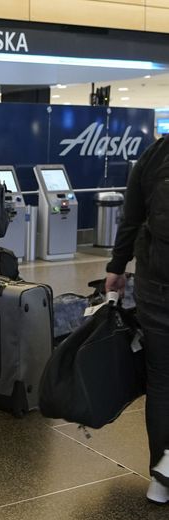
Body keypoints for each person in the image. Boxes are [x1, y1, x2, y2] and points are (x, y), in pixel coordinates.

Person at [105, 137, 169, 505]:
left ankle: (160, 480)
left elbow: (130, 218)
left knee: (161, 381)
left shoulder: (155, 153)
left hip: (156, 283)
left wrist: (116, 269)